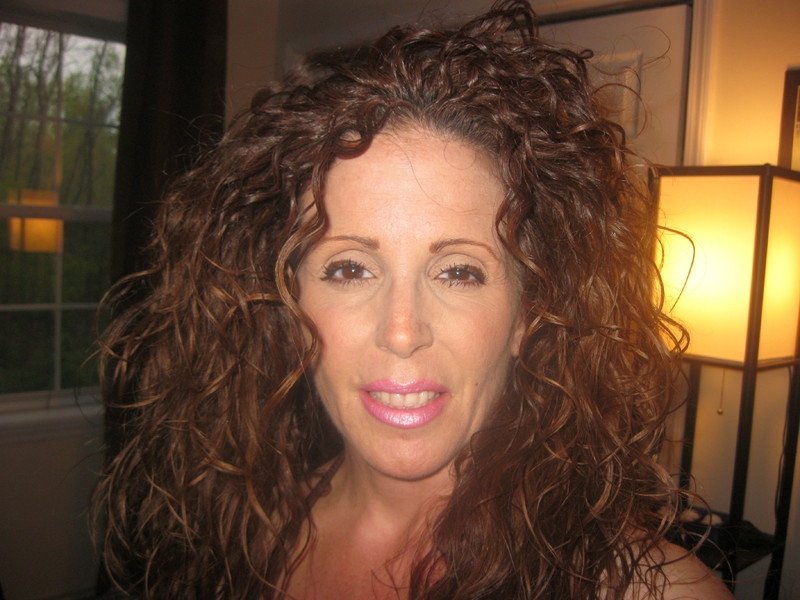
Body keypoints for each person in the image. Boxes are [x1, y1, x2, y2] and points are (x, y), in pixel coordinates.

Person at [94, 1, 733, 598]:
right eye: (349, 269)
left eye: (458, 272)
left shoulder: (646, 589)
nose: (402, 332)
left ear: (528, 313)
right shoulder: (240, 533)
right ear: (287, 300)